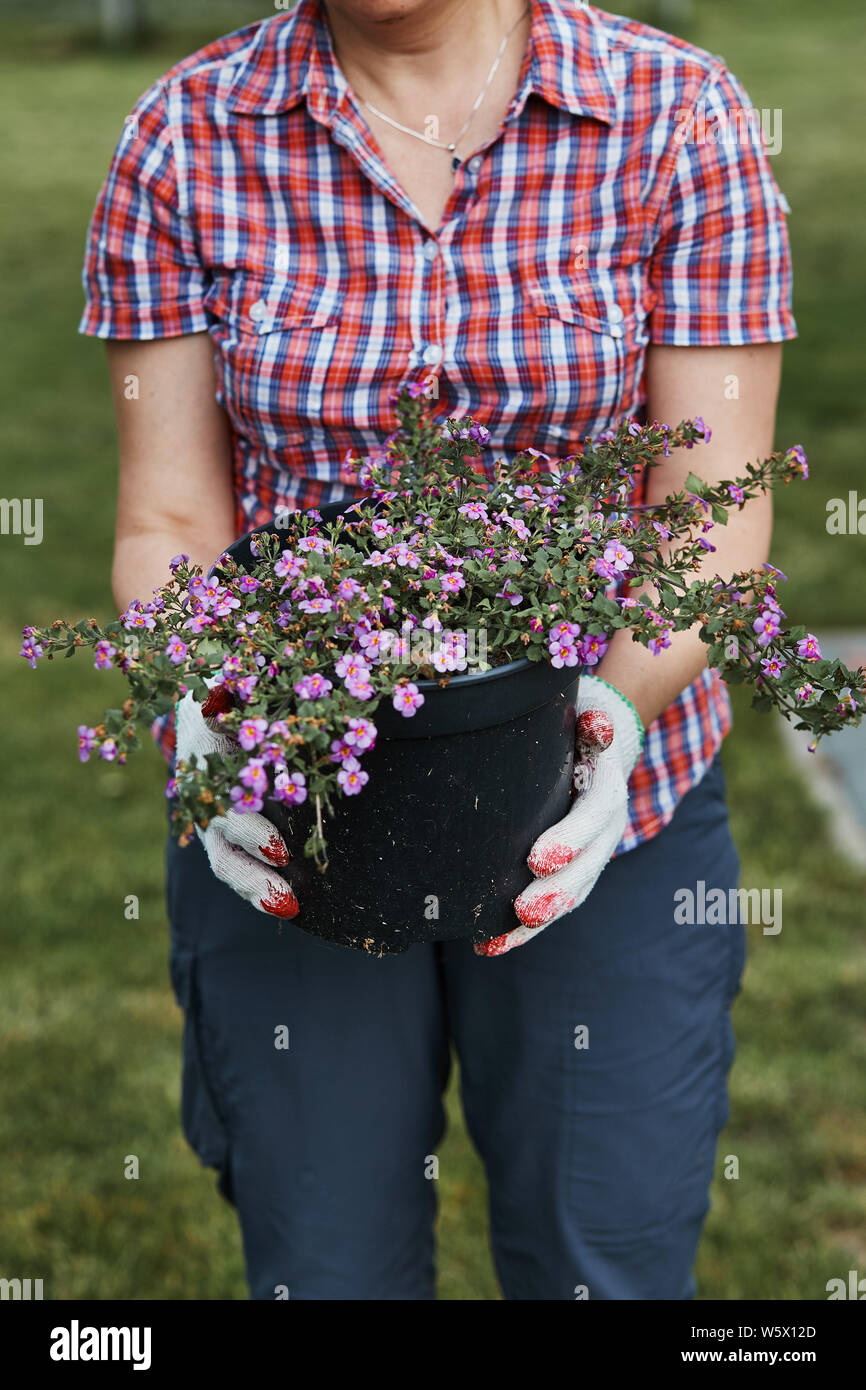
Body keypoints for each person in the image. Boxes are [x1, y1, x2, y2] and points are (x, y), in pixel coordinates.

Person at [80, 0, 797, 1299]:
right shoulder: (185, 136)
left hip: (612, 823)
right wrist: (208, 699)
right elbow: (173, 515)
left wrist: (616, 716)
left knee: (605, 1261)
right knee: (326, 1263)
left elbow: (717, 518)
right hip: (300, 805)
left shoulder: (675, 116)